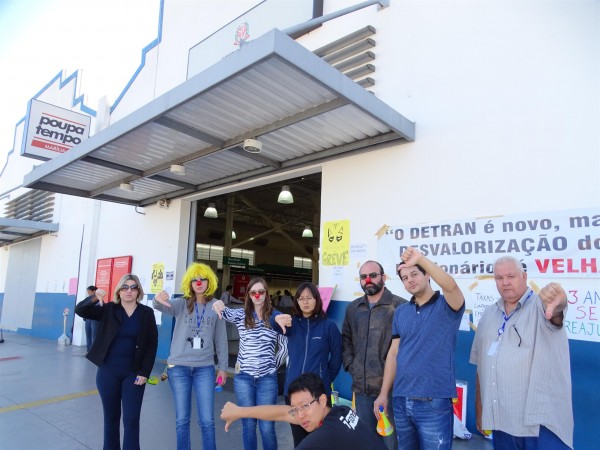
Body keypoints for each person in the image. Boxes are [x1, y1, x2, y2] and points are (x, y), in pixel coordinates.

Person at [470, 256, 573, 449]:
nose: (505, 282)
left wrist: (558, 303)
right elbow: (481, 367)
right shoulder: (489, 314)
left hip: (539, 426)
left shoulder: (540, 306)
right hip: (501, 422)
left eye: (511, 276)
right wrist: (480, 408)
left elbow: (556, 315)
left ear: (524, 276)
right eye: (499, 278)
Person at [375, 248, 465, 450]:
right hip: (401, 400)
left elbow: (452, 287)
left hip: (433, 403)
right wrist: (384, 393)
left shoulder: (447, 306)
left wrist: (421, 259)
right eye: (405, 278)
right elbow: (394, 353)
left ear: (427, 274)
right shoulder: (401, 312)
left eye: (415, 274)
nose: (410, 281)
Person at [75, 274, 158, 450]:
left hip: (134, 374)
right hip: (108, 372)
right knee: (111, 419)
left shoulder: (146, 313)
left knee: (131, 419)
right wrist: (94, 297)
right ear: (119, 291)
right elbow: (80, 311)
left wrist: (145, 372)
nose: (129, 291)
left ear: (139, 292)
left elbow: (152, 344)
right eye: (125, 287)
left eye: (133, 287)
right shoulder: (108, 309)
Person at [153, 262, 228, 450]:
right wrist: (157, 298)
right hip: (179, 368)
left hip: (205, 368)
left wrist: (223, 368)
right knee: (182, 420)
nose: (199, 282)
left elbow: (221, 340)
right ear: (189, 283)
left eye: (203, 279)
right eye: (195, 279)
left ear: (209, 281)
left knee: (207, 421)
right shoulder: (179, 304)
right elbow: (160, 306)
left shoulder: (216, 307)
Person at [220, 372, 387, 450]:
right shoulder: (339, 411)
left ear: (322, 400)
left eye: (305, 406)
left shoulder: (327, 434)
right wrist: (240, 411)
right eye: (296, 409)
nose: (300, 416)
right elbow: (283, 413)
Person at [213, 277, 287, 450]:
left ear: (266, 294)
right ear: (249, 295)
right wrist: (216, 304)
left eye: (261, 291)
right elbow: (222, 311)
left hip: (267, 380)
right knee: (248, 425)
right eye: (253, 292)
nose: (257, 295)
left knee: (267, 426)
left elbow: (284, 347)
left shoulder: (276, 318)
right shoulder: (241, 315)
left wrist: (272, 366)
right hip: (244, 378)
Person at [342, 260, 407, 450]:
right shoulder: (353, 308)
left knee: (391, 444)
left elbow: (405, 349)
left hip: (391, 392)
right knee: (367, 442)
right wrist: (351, 366)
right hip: (361, 390)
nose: (368, 280)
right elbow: (345, 339)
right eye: (363, 277)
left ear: (384, 278)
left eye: (373, 275)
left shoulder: (400, 307)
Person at [271, 281, 343, 446]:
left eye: (309, 298)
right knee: (299, 441)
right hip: (294, 395)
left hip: (318, 396)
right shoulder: (292, 324)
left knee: (322, 441)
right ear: (296, 301)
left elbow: (337, 357)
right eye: (301, 298)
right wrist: (276, 318)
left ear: (317, 300)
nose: (305, 301)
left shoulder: (328, 326)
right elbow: (274, 322)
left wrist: (325, 379)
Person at [83, 285, 99, 352]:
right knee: (88, 335)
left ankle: (93, 352)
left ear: (94, 291)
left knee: (94, 336)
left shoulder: (98, 299)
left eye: (89, 291)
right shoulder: (87, 299)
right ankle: (88, 351)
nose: (88, 293)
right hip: (88, 319)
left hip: (95, 320)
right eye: (87, 292)